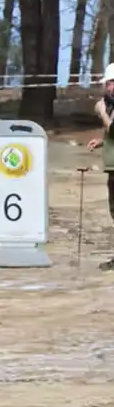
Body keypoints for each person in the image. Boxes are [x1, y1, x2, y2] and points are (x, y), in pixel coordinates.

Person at [84, 63, 114, 271]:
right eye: (107, 83)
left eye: (110, 83)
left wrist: (102, 112)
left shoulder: (107, 107)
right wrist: (102, 141)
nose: (107, 87)